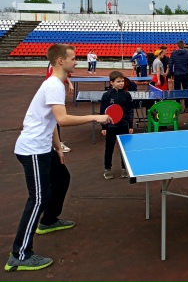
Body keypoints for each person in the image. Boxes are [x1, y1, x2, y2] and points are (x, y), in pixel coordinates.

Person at [5, 44, 111, 272]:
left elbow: (52, 120)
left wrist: (58, 148)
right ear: (61, 61)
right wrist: (95, 117)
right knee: (38, 199)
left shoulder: (57, 84)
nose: (77, 61)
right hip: (32, 149)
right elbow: (62, 119)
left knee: (62, 178)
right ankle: (19, 255)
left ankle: (49, 220)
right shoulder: (53, 85)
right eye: (73, 58)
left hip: (45, 147)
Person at [100, 71, 134, 179]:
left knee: (124, 149)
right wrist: (104, 127)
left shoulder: (127, 95)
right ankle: (107, 169)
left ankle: (124, 168)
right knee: (109, 149)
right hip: (111, 127)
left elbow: (130, 110)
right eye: (118, 81)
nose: (121, 83)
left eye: (122, 81)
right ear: (112, 82)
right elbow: (102, 112)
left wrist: (130, 125)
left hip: (123, 126)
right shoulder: (106, 95)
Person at [46, 62, 73, 153]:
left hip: (55, 90)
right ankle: (57, 144)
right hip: (53, 92)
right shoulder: (55, 67)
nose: (75, 62)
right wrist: (92, 118)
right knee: (55, 119)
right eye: (72, 59)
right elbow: (63, 120)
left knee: (53, 119)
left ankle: (56, 143)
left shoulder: (56, 65)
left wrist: (69, 83)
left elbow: (63, 75)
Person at [168, 40, 188, 109]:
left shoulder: (174, 53)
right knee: (186, 90)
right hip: (185, 73)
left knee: (177, 90)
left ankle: (178, 106)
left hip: (177, 74)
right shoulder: (187, 53)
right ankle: (186, 107)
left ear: (177, 46)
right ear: (184, 45)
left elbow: (170, 64)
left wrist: (170, 74)